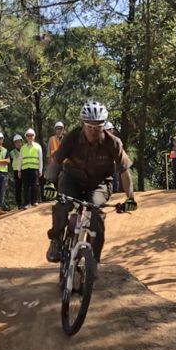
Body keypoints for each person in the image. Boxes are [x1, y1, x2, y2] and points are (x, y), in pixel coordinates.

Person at [41, 100, 137, 264]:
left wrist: (130, 197)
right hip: (71, 179)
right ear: (83, 124)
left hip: (99, 184)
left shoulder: (113, 143)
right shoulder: (71, 138)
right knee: (62, 205)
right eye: (90, 126)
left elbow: (124, 171)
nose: (93, 130)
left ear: (103, 125)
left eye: (98, 126)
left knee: (96, 214)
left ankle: (94, 262)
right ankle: (56, 240)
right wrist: (50, 182)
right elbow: (55, 162)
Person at [20, 128, 44, 207]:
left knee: (35, 185)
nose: (30, 137)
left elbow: (40, 159)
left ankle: (35, 201)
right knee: (26, 186)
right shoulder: (23, 148)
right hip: (25, 169)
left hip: (34, 168)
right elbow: (20, 159)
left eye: (31, 135)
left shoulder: (38, 146)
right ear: (26, 137)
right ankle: (26, 203)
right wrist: (19, 170)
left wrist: (40, 169)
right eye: (28, 135)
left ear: (34, 136)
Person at [10, 134, 24, 209]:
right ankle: (19, 204)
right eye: (16, 142)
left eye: (19, 142)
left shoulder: (24, 150)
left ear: (22, 142)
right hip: (16, 171)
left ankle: (26, 202)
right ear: (14, 143)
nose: (18, 144)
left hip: (24, 170)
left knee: (26, 187)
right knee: (18, 188)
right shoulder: (12, 152)